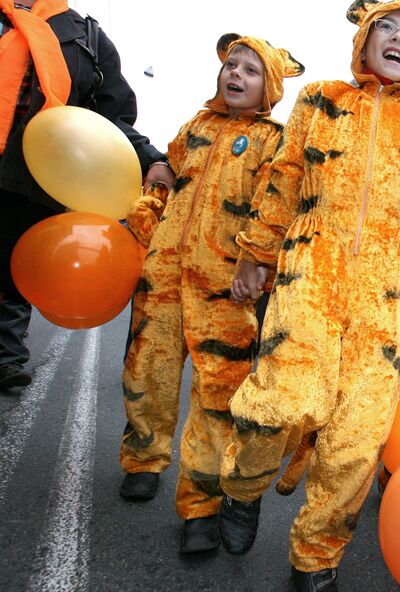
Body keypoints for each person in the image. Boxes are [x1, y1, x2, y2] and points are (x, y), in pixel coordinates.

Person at [216, 4, 400, 591]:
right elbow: (281, 181)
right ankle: (242, 488)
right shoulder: (322, 100)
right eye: (388, 29)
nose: (398, 41)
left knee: (357, 440)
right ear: (364, 38)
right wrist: (256, 256)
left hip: (384, 303)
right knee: (279, 403)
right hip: (310, 278)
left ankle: (317, 557)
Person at [119, 35, 304, 554]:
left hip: (226, 289)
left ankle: (199, 505)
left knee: (216, 398)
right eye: (231, 65)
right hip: (162, 277)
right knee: (145, 372)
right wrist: (144, 212)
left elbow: (276, 211)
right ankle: (143, 458)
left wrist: (258, 263)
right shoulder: (195, 127)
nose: (235, 75)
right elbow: (168, 175)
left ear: (269, 87)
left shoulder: (275, 140)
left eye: (250, 70)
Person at [0, 0, 172, 390]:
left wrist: (151, 159)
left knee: (16, 270)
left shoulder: (86, 37)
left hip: (30, 184)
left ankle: (5, 355)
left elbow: (111, 118)